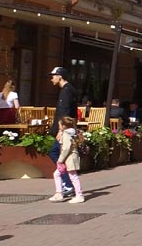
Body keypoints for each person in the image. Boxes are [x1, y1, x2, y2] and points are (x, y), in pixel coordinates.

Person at [47, 67, 76, 198]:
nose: (51, 78)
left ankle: (68, 184)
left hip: (65, 130)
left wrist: (60, 130)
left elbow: (64, 112)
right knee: (60, 155)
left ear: (60, 76)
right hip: (67, 129)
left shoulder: (66, 91)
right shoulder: (67, 90)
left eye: (53, 76)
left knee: (55, 153)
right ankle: (68, 183)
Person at [48, 117, 85, 204]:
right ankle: (59, 193)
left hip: (70, 158)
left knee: (73, 176)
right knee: (57, 174)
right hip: (69, 158)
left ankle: (79, 195)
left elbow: (66, 148)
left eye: (60, 125)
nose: (59, 127)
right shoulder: (71, 132)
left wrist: (60, 160)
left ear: (64, 126)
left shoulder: (66, 134)